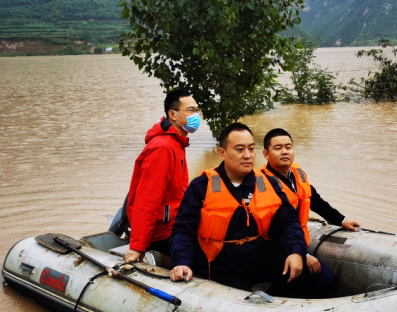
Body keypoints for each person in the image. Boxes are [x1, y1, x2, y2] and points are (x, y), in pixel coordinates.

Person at [169, 123, 333, 297]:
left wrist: (296, 252)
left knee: (323, 279)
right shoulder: (202, 186)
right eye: (239, 149)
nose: (247, 155)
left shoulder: (268, 183)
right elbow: (183, 230)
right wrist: (182, 262)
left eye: (251, 148)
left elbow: (289, 223)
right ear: (222, 153)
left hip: (257, 257)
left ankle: (280, 299)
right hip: (219, 264)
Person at [260, 128, 361, 281]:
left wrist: (342, 220)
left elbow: (316, 202)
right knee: (326, 282)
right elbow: (277, 230)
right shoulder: (262, 184)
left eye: (288, 147)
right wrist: (303, 255)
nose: (284, 152)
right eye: (278, 148)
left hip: (298, 242)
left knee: (327, 282)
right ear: (266, 154)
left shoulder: (296, 174)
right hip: (275, 248)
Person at [123, 88, 199, 264]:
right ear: (173, 115)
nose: (195, 116)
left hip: (175, 222)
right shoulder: (163, 148)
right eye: (190, 110)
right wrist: (138, 246)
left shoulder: (177, 142)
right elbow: (147, 199)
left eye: (196, 110)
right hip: (164, 231)